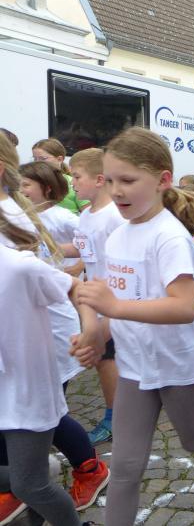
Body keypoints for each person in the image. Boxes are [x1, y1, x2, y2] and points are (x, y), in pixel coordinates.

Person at [74, 127, 194, 525]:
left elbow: (182, 307)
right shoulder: (117, 236)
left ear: (162, 179)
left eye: (128, 180)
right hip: (134, 366)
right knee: (125, 467)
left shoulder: (168, 236)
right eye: (110, 181)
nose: (117, 190)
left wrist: (115, 307)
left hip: (179, 363)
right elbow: (110, 299)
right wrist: (96, 332)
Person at [0, 132, 100, 526]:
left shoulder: (16, 263)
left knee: (29, 482)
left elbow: (76, 286)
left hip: (26, 379)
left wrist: (91, 332)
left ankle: (49, 485)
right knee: (25, 477)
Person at [59, 148, 124, 445]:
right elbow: (81, 248)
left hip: (114, 301)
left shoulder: (115, 216)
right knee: (105, 359)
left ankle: (115, 418)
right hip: (95, 301)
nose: (72, 182)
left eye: (76, 176)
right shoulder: (86, 214)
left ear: (99, 180)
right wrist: (44, 245)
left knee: (107, 359)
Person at [32, 138, 89, 215]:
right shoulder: (31, 182)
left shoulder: (73, 183)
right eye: (35, 158)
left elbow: (88, 213)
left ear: (59, 159)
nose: (37, 162)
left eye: (43, 158)